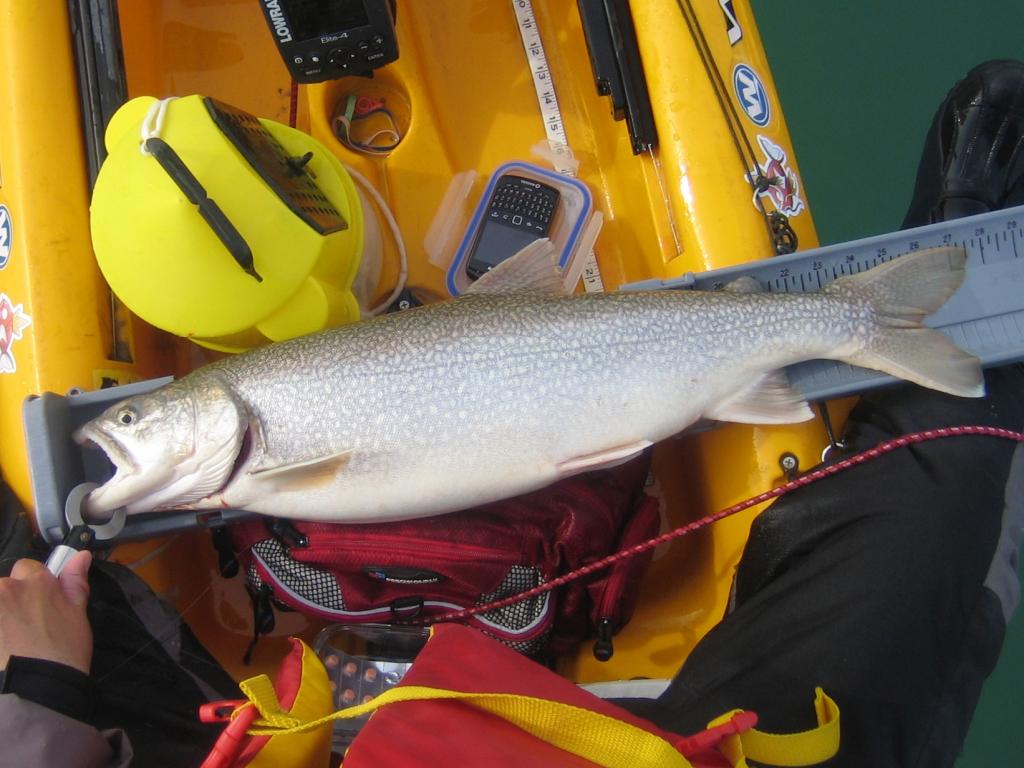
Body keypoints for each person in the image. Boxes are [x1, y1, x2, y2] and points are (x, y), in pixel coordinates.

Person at [2, 58, 1024, 767]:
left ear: (204, 410)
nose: (119, 439)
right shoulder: (252, 453)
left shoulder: (262, 451)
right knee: (931, 546)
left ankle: (860, 321)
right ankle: (892, 336)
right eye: (132, 430)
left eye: (134, 426)